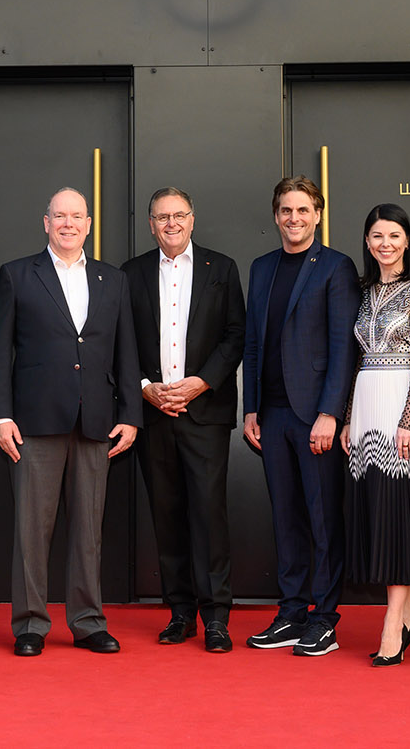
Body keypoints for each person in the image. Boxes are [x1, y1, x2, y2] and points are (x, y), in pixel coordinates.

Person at [0, 187, 142, 656]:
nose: (68, 224)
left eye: (77, 216)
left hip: (96, 421)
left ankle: (88, 622)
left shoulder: (113, 279)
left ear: (89, 224)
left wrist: (130, 415)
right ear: (46, 223)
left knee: (88, 531)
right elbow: (0, 352)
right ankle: (30, 624)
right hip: (34, 422)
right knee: (32, 530)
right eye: (60, 216)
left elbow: (126, 351)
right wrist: (0, 415)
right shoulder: (17, 275)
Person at [121, 188, 246, 653]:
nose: (171, 224)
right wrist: (145, 388)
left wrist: (201, 383)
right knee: (166, 514)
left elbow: (236, 335)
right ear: (150, 224)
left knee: (208, 515)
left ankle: (216, 618)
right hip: (153, 413)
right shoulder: (131, 273)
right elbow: (121, 340)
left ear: (192, 219)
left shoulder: (222, 268)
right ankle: (179, 613)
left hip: (205, 412)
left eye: (179, 215)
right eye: (162, 217)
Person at [241, 175, 359, 657]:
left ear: (318, 215)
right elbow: (252, 342)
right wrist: (250, 407)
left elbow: (343, 347)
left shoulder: (336, 267)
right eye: (286, 210)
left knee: (323, 518)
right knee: (286, 518)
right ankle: (291, 612)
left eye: (303, 210)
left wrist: (331, 413)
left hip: (315, 416)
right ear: (276, 216)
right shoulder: (261, 267)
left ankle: (324, 618)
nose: (294, 218)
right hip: (271, 414)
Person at [338, 203, 410, 666]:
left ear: (407, 240)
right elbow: (356, 360)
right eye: (377, 236)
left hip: (402, 409)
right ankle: (409, 616)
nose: (386, 244)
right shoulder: (361, 292)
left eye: (394, 236)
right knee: (379, 512)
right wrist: (347, 417)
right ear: (367, 241)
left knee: (400, 513)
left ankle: (392, 623)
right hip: (366, 410)